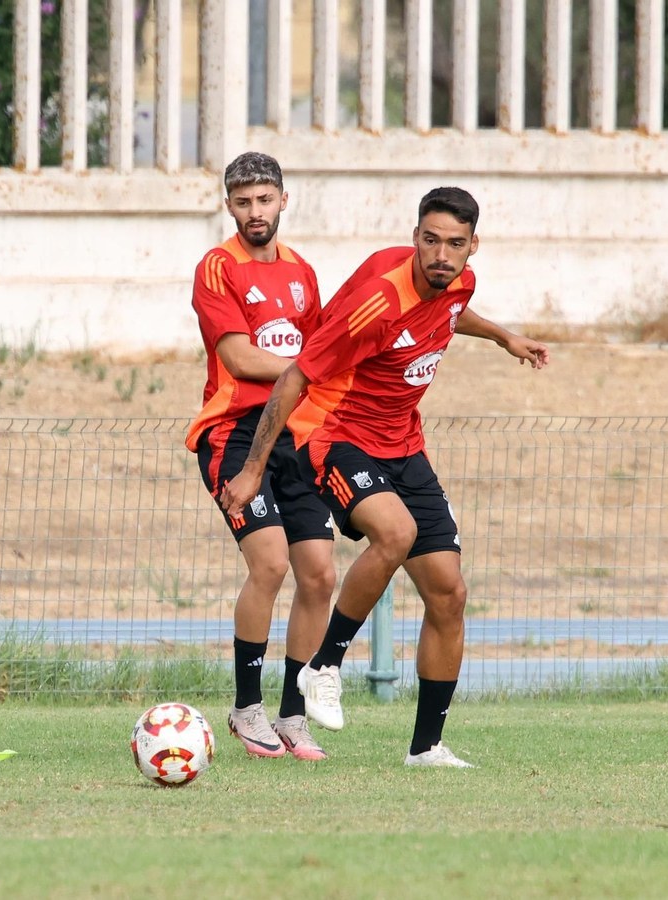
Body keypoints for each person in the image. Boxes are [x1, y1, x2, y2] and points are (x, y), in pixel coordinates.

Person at [221, 187, 549, 767]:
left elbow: (452, 311)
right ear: (415, 236)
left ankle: (426, 748)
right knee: (395, 533)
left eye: (455, 244)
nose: (441, 255)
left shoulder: (459, 283)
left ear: (473, 246)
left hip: (403, 443)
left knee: (448, 592)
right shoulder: (378, 302)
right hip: (336, 433)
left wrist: (504, 337)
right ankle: (324, 666)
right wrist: (251, 470)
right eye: (431, 240)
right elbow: (294, 378)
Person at [186, 152, 335, 761]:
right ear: (229, 205)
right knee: (270, 565)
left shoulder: (302, 271)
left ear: (282, 201)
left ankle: (292, 715)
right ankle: (246, 707)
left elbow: (323, 346)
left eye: (265, 200)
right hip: (235, 435)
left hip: (295, 436)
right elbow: (241, 358)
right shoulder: (217, 267)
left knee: (320, 574)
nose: (255, 211)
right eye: (244, 201)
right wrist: (311, 370)